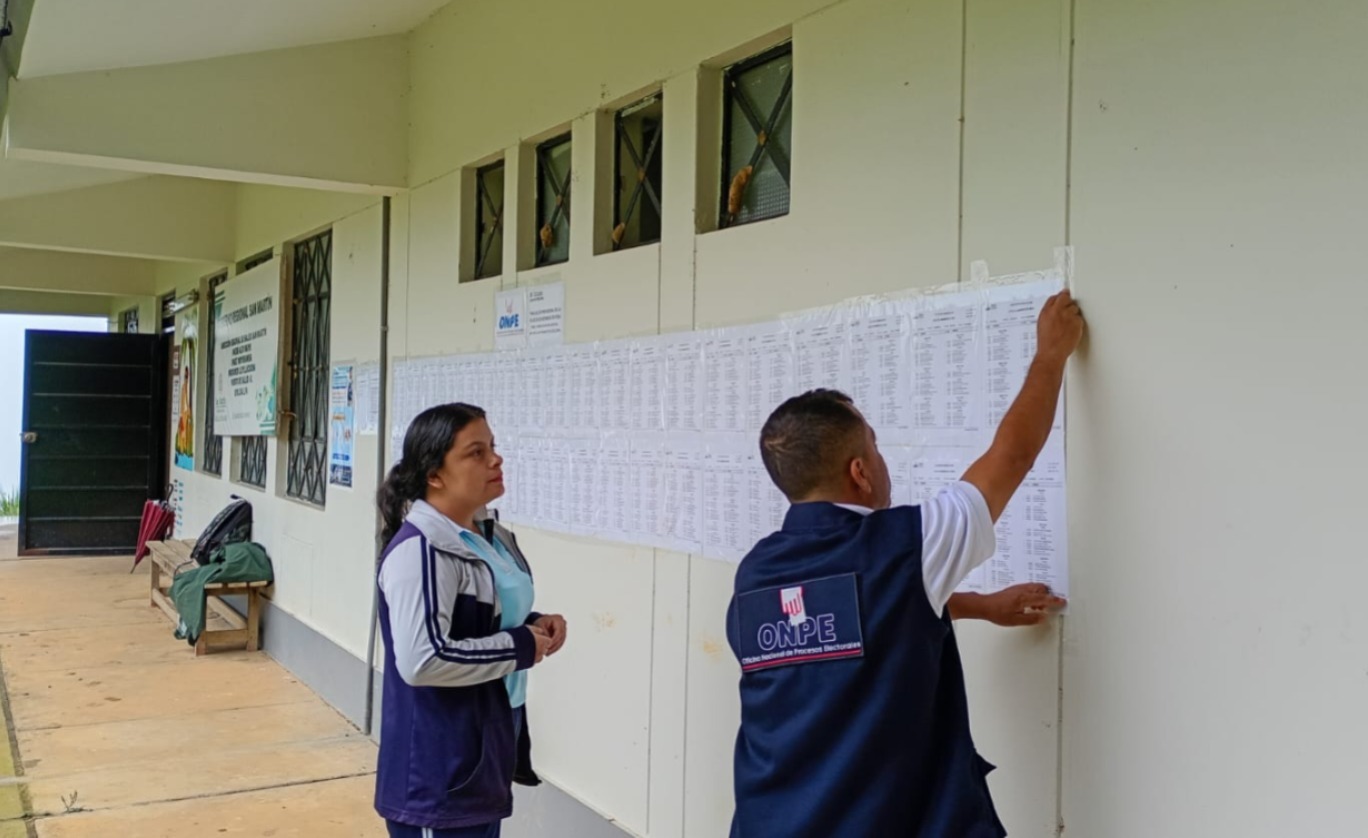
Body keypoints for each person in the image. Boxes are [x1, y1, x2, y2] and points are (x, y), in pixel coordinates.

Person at [727, 290, 1085, 837]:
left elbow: (849, 619)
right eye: (876, 447)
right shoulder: (902, 546)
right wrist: (1050, 355)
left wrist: (979, 606)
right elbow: (1011, 457)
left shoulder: (757, 574)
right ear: (860, 472)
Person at [374, 403, 569, 838]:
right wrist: (520, 645)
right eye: (476, 453)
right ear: (435, 475)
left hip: (487, 740)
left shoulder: (489, 536)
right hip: (439, 766)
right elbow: (422, 660)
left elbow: (483, 618)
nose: (495, 460)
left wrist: (534, 623)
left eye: (493, 447)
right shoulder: (422, 551)